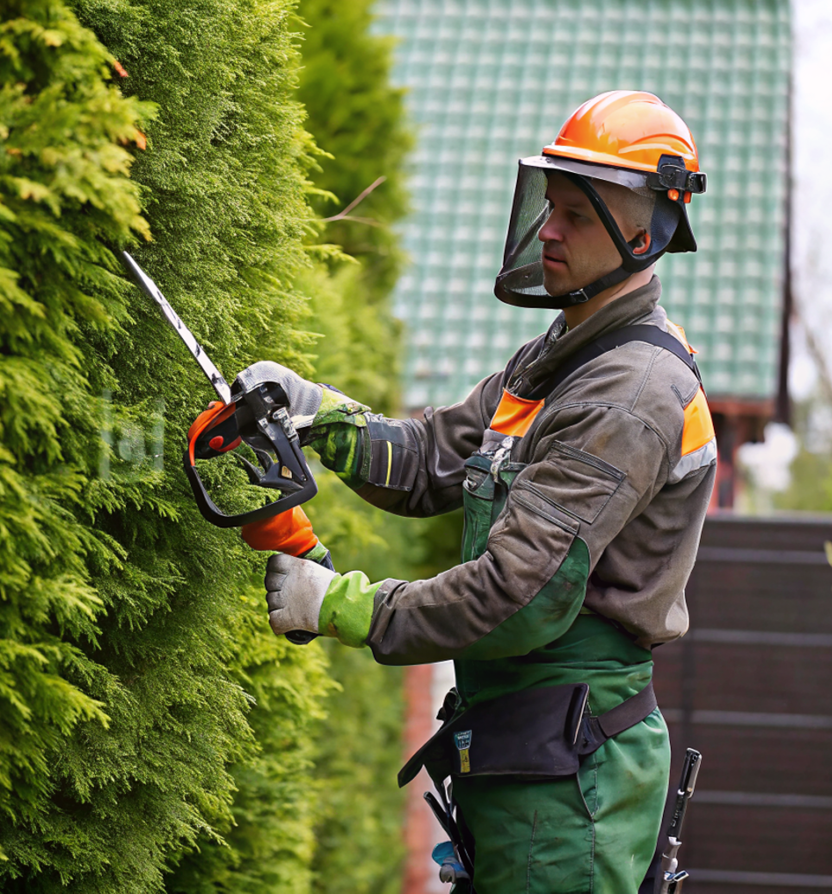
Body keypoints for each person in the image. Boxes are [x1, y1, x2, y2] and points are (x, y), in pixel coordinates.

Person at [236, 90, 716, 893]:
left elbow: (516, 597)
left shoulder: (626, 394)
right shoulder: (562, 358)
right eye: (550, 207)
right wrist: (318, 412)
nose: (549, 231)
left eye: (576, 215)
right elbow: (432, 458)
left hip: (571, 782)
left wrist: (345, 605)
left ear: (642, 234)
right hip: (526, 746)